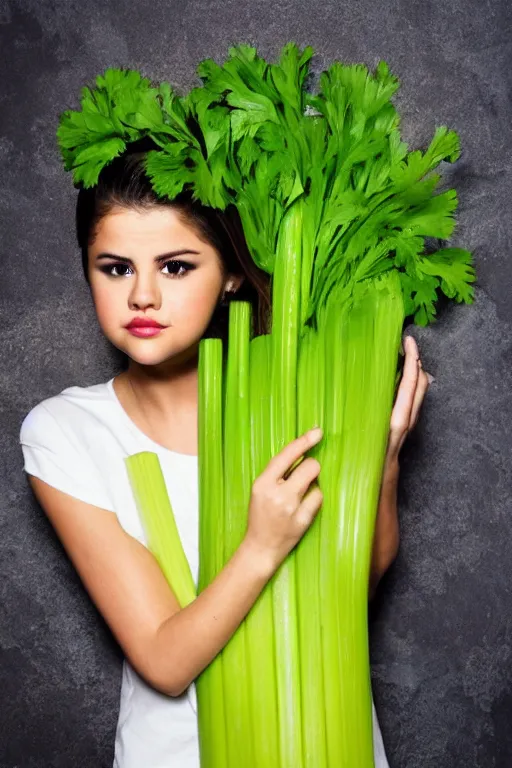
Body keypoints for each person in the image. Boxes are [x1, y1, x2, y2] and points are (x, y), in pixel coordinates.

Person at [19, 141, 432, 768]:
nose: (143, 297)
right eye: (116, 267)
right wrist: (260, 546)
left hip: (331, 746)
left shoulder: (298, 394)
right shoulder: (67, 431)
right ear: (87, 270)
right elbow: (164, 661)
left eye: (177, 266)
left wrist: (387, 461)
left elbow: (356, 588)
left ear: (231, 273)